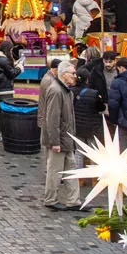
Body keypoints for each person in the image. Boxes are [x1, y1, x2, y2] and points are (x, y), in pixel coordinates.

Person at [38, 60, 80, 210]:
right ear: (63, 74)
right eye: (73, 73)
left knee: (71, 168)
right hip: (59, 140)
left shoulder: (67, 91)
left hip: (66, 138)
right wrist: (55, 142)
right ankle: (50, 199)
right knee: (55, 170)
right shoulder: (56, 91)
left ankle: (73, 200)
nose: (75, 76)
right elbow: (52, 119)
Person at [0, 40, 19, 143]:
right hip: (5, 90)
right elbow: (12, 74)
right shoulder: (4, 60)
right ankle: (7, 135)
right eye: (10, 50)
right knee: (7, 112)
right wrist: (19, 68)